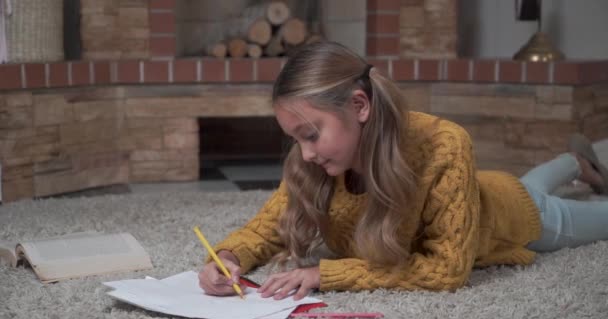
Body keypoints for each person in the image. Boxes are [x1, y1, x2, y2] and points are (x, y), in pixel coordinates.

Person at [198, 41, 608, 301]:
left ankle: (577, 167)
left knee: (544, 200)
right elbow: (266, 227)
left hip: (517, 216)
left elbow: (447, 270)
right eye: (295, 139)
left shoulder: (446, 144)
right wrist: (228, 256)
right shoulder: (319, 162)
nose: (304, 155)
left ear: (360, 107)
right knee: (530, 182)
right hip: (489, 188)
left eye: (311, 134)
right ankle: (576, 163)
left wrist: (326, 273)